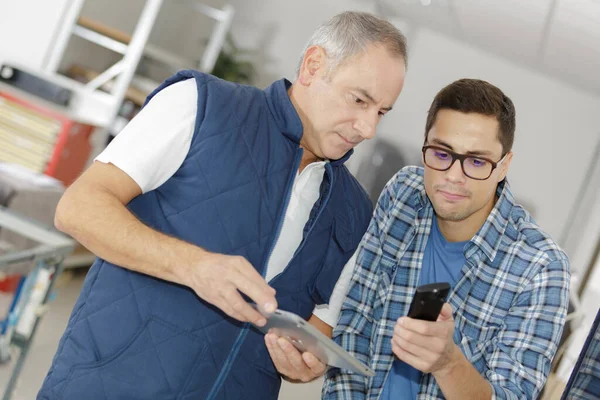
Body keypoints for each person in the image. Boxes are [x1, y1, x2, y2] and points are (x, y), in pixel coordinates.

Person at [37, 11, 407, 400]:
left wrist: (304, 367)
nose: (368, 128)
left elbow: (317, 332)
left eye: (381, 112)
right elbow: (78, 207)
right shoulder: (201, 105)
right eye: (359, 100)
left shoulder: (355, 213)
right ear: (314, 66)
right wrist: (193, 266)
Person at [322, 78, 570, 399]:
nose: (453, 176)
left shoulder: (541, 268)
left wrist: (448, 364)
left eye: (477, 161)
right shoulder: (403, 196)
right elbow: (356, 321)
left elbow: (513, 394)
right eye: (441, 153)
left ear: (503, 166)